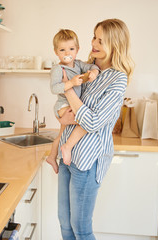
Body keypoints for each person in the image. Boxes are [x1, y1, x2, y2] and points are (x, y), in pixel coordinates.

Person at [56, 19, 134, 240]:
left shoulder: (118, 79)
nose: (94, 43)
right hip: (67, 156)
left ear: (115, 44)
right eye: (94, 37)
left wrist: (68, 89)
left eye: (101, 40)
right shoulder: (90, 69)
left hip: (87, 161)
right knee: (65, 224)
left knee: (81, 228)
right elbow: (65, 107)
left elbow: (91, 122)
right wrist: (61, 114)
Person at [47, 29, 100, 174]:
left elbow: (92, 66)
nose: (67, 53)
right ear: (56, 52)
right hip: (63, 105)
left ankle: (52, 157)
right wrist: (70, 83)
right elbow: (54, 88)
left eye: (71, 49)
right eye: (62, 50)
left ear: (77, 50)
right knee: (87, 120)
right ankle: (67, 147)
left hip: (72, 104)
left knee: (61, 134)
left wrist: (94, 72)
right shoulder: (58, 69)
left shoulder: (79, 64)